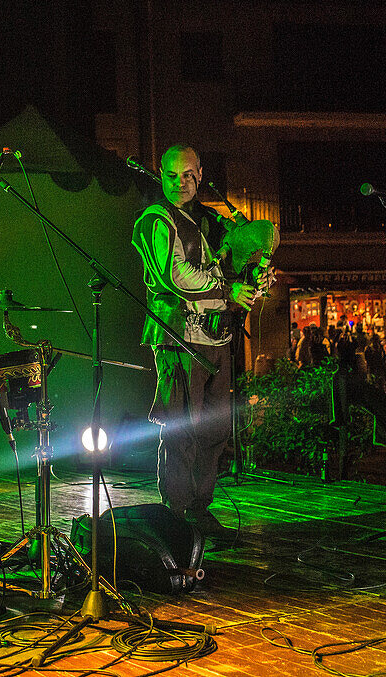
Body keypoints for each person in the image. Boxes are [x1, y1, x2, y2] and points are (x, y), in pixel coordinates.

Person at [131, 143, 258, 539]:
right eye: (172, 175)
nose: (181, 182)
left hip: (217, 336)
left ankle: (200, 508)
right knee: (182, 426)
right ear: (162, 174)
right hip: (177, 336)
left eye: (188, 174)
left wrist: (255, 279)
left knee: (213, 426)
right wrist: (230, 287)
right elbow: (177, 275)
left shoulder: (209, 219)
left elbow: (236, 264)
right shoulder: (157, 219)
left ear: (200, 174)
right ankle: (177, 511)